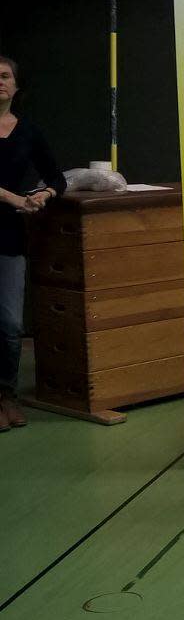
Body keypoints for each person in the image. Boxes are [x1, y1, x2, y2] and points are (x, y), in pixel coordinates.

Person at [0, 55, 64, 432]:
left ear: (16, 86)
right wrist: (14, 198)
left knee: (10, 323)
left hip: (9, 237)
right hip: (10, 213)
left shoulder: (29, 132)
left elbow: (56, 176)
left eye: (5, 76)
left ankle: (6, 394)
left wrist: (45, 193)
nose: (0, 82)